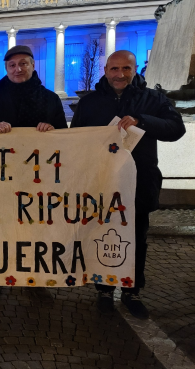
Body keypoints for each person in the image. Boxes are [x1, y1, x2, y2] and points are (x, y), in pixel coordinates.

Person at [70, 50, 185, 319]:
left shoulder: (153, 98)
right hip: (101, 182)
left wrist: (141, 121)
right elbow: (75, 138)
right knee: (100, 234)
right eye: (114, 69)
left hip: (139, 180)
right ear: (106, 69)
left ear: (134, 70)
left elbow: (176, 128)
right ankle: (105, 289)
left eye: (125, 69)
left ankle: (132, 290)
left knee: (137, 238)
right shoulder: (90, 102)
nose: (119, 74)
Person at [0, 45, 68, 300]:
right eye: (12, 65)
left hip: (39, 177)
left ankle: (34, 279)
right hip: (1, 175)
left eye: (23, 64)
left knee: (35, 228)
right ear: (6, 68)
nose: (18, 69)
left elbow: (65, 137)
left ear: (33, 65)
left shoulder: (50, 99)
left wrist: (52, 130)